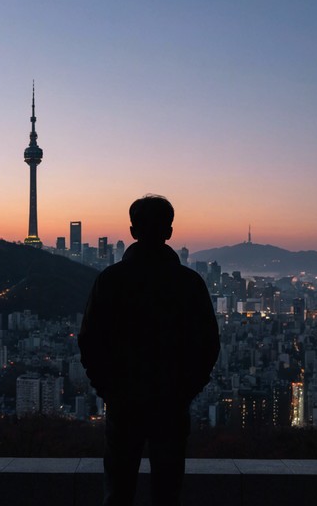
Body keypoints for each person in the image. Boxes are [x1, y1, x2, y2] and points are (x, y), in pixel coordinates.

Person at [78, 195, 220, 506]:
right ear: (169, 231)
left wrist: (108, 389)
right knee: (168, 491)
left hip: (123, 401)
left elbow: (90, 341)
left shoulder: (111, 280)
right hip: (171, 402)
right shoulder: (189, 283)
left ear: (132, 231)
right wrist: (186, 390)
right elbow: (208, 344)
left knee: (118, 489)